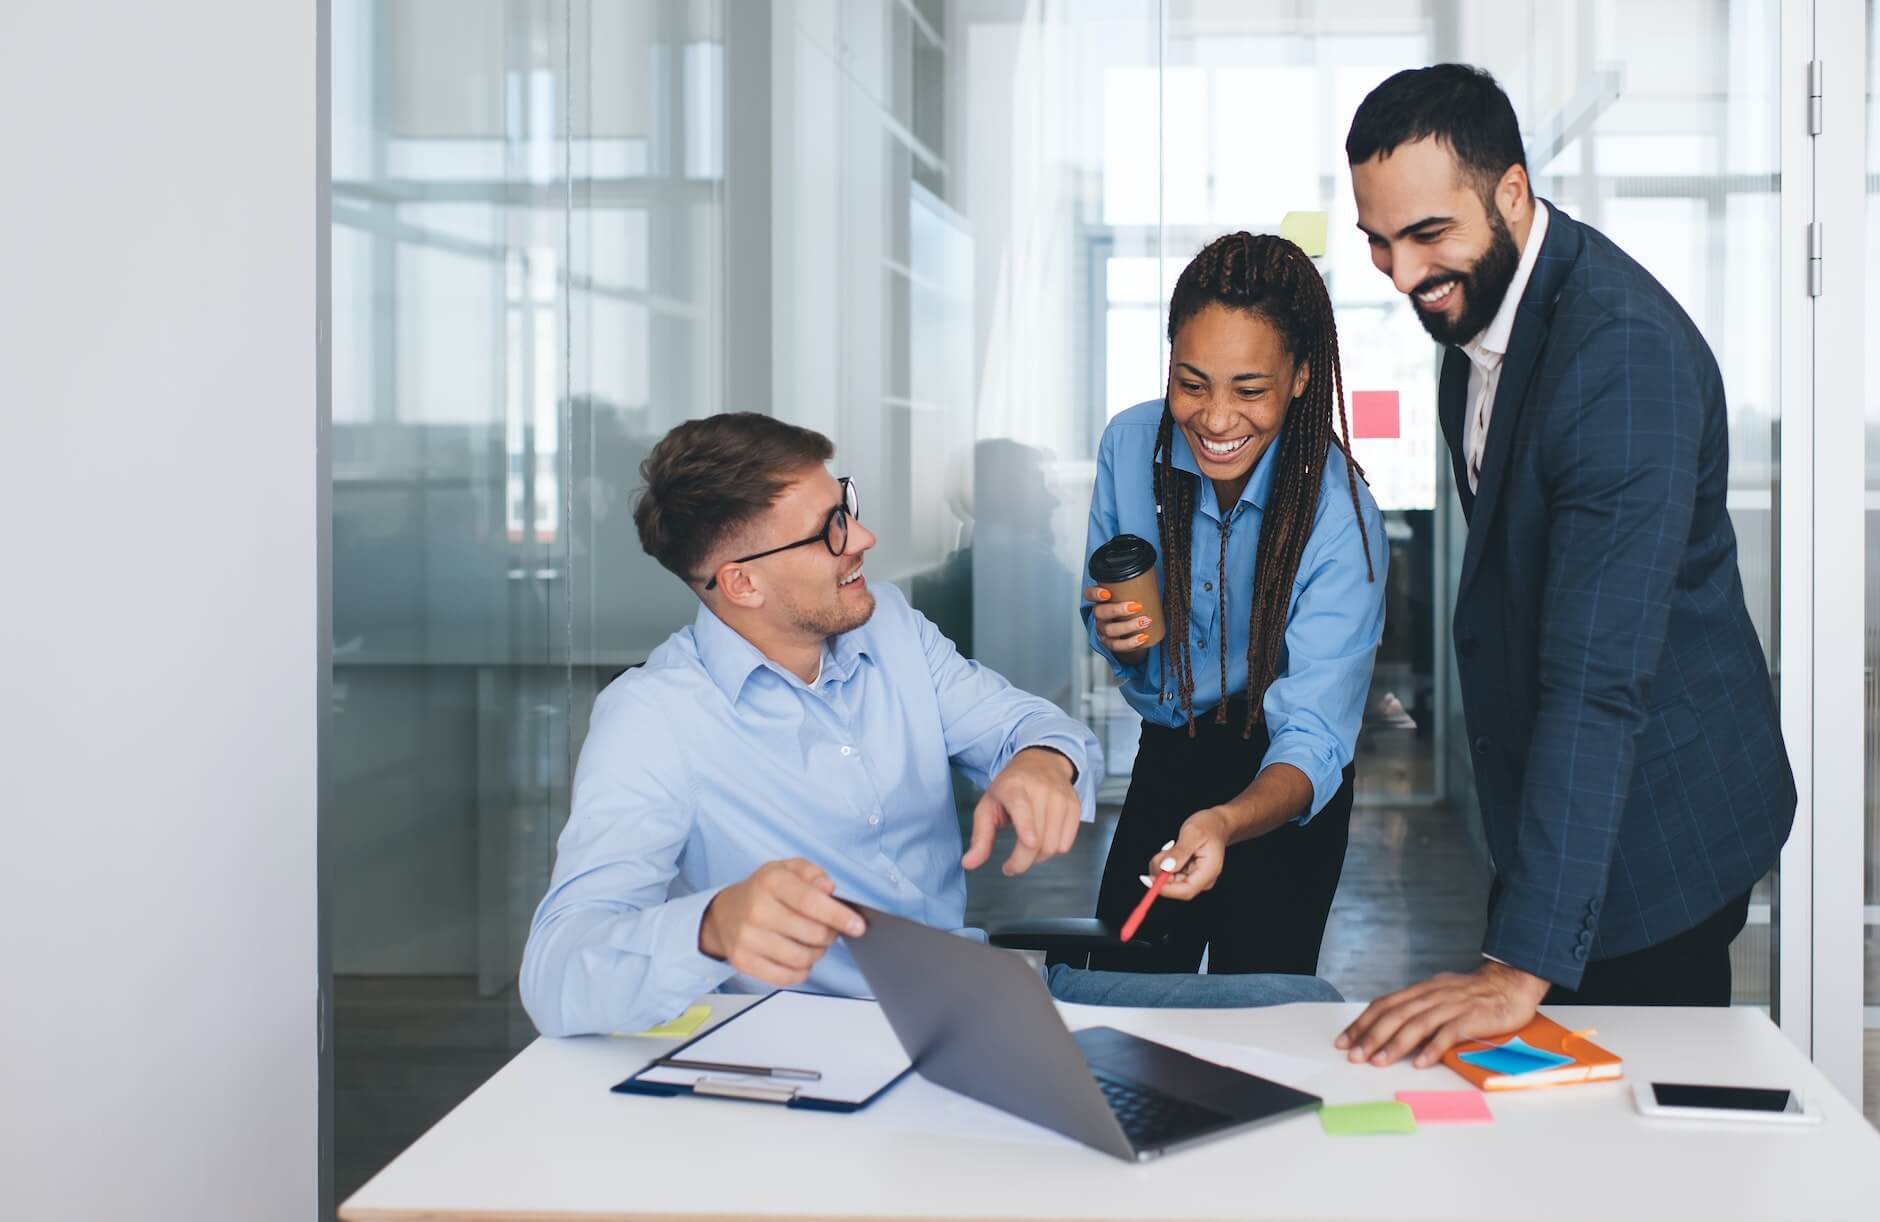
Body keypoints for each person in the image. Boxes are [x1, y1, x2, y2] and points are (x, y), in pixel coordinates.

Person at [519, 412, 1338, 1037]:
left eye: (847, 505)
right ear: (741, 585)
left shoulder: (888, 629)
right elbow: (557, 973)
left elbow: (1033, 726)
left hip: (976, 1009)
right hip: (827, 1053)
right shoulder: (654, 719)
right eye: (830, 530)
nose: (864, 538)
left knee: (1303, 1011)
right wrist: (706, 927)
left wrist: (1040, 763)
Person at [1336, 64, 1797, 1067]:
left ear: (1510, 192)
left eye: (1425, 235)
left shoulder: (1616, 361)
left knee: (1644, 1119)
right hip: (1578, 804)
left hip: (1661, 821)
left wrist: (1516, 960)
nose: (1401, 272)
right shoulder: (1485, 311)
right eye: (1377, 240)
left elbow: (1596, 680)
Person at [1082, 232, 1389, 978]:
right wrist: (1118, 639)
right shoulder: (1130, 446)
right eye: (1193, 383)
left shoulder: (1340, 512)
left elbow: (1313, 736)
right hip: (1171, 753)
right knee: (1122, 988)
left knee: (1261, 1011)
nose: (1217, 419)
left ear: (1300, 378)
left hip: (1282, 782)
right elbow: (1106, 618)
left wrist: (1225, 821)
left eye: (1249, 390)